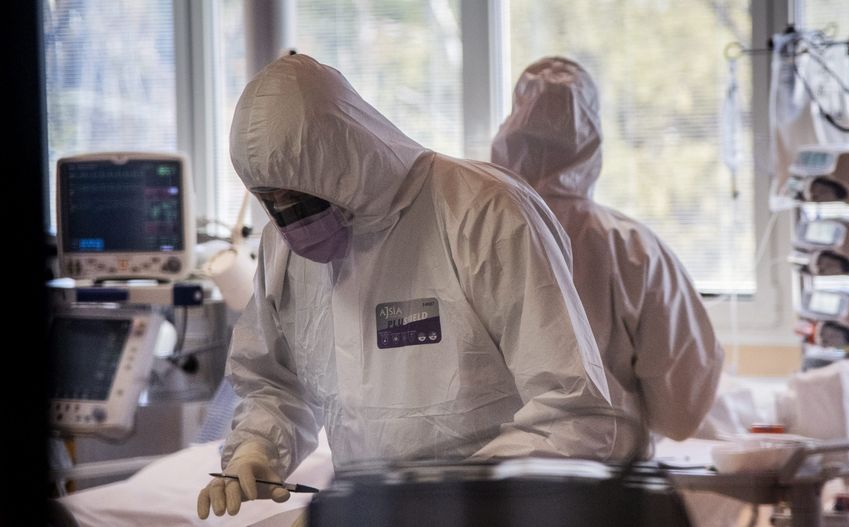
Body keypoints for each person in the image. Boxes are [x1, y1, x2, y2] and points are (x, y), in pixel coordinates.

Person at [197, 54, 639, 519]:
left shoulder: (483, 214)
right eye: (269, 200)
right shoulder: (282, 249)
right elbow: (275, 382)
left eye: (297, 196)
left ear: (344, 162)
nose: (289, 218)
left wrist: (429, 506)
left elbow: (571, 414)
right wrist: (258, 448)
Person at [491, 57, 724, 446]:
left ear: (510, 132)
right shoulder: (633, 250)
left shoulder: (472, 237)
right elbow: (680, 414)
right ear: (591, 140)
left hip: (489, 473)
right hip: (606, 474)